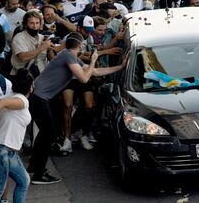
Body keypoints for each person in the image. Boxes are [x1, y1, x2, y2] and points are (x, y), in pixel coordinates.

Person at [28, 32, 128, 184]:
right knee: (49, 134)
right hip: (39, 98)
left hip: (40, 97)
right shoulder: (67, 55)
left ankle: (34, 167)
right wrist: (94, 59)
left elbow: (93, 72)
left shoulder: (70, 57)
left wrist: (120, 67)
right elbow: (84, 78)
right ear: (80, 45)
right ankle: (38, 174)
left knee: (46, 133)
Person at [0, 68, 33, 203]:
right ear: (31, 87)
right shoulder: (22, 101)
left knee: (23, 181)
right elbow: (3, 103)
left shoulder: (9, 95)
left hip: (7, 151)